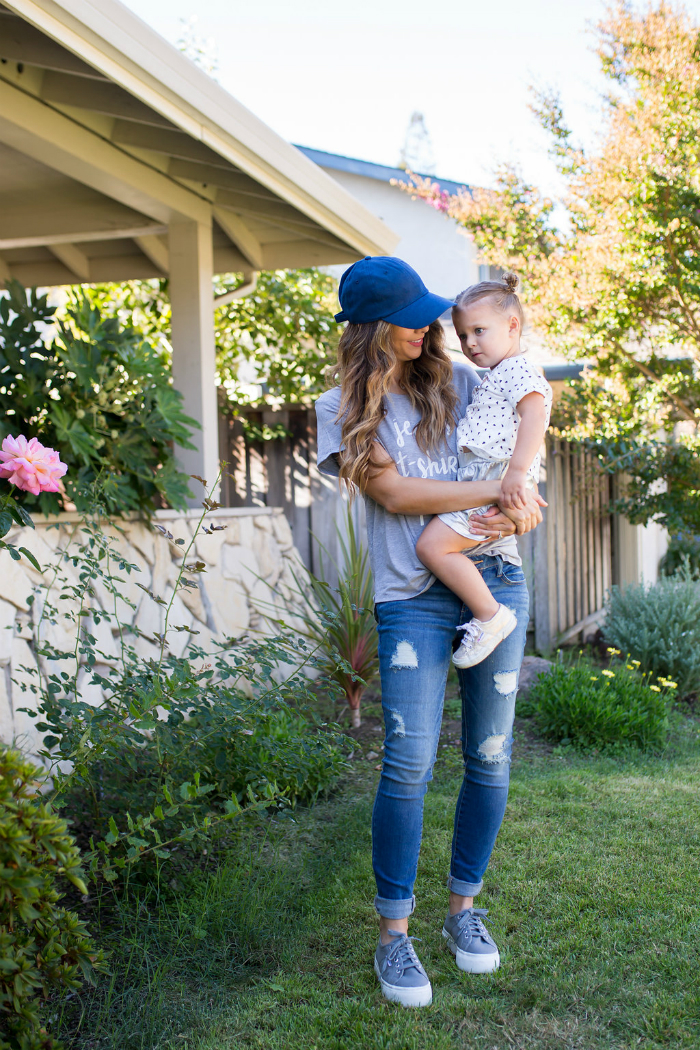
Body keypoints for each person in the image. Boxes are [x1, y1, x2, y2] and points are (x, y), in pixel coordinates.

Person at [315, 256, 545, 1008]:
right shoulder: (339, 408)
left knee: (489, 756)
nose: (431, 326)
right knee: (408, 764)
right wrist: (503, 487)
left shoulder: (466, 378)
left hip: (494, 582)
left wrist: (523, 490)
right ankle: (395, 934)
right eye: (412, 316)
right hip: (412, 599)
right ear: (375, 328)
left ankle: (464, 912)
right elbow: (397, 491)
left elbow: (529, 423)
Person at [415, 274, 552, 670]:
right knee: (451, 544)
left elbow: (535, 415)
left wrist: (516, 474)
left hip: (491, 473)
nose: (470, 343)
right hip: (488, 474)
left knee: (431, 547)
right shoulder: (499, 373)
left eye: (479, 331)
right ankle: (486, 612)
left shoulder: (518, 370)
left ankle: (490, 616)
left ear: (513, 326)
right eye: (462, 335)